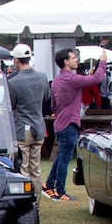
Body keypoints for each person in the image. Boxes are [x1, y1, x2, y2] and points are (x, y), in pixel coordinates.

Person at [45, 40, 108, 201]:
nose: (76, 60)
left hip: (60, 123)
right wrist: (103, 61)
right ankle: (60, 190)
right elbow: (97, 78)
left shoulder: (57, 81)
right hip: (69, 124)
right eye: (73, 58)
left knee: (61, 156)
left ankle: (49, 185)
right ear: (66, 62)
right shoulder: (71, 80)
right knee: (65, 158)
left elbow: (54, 105)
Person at [8, 44, 50, 201]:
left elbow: (11, 105)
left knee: (23, 168)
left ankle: (25, 202)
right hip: (38, 126)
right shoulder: (42, 77)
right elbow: (46, 97)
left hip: (22, 129)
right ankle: (37, 204)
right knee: (36, 169)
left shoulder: (14, 82)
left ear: (17, 60)